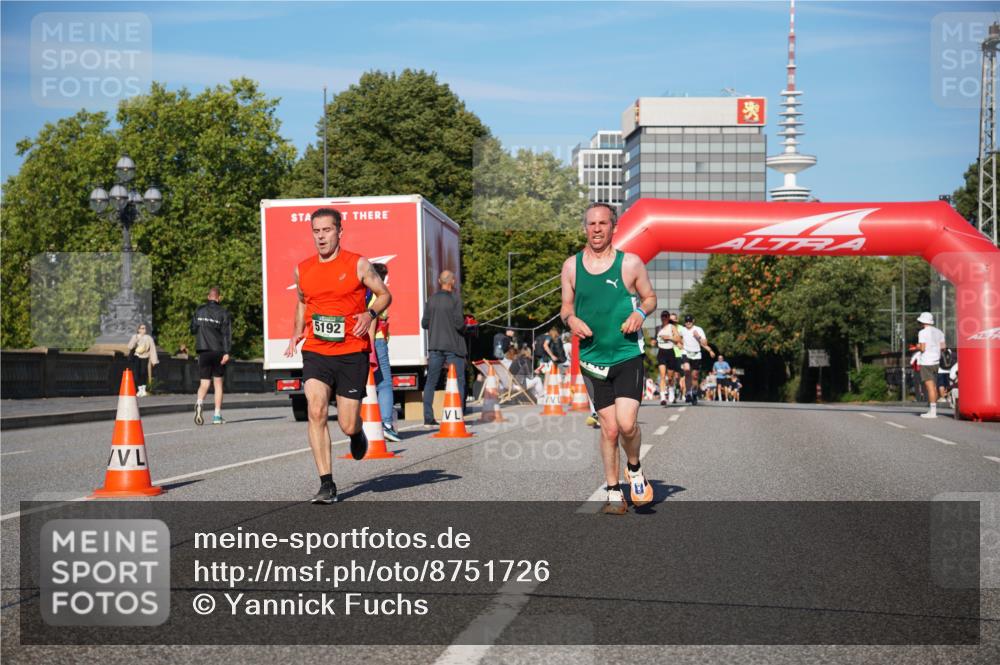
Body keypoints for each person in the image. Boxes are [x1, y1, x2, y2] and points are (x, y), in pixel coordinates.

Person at [285, 208, 391, 504]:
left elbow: (384, 295)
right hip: (316, 350)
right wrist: (296, 332)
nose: (321, 236)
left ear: (339, 231)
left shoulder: (357, 264)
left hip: (351, 352)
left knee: (346, 423)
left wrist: (370, 314)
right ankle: (326, 483)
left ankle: (357, 433)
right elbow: (302, 303)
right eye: (316, 231)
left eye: (327, 230)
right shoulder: (302, 268)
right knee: (315, 410)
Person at [561, 202, 657, 515]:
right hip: (592, 359)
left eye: (603, 223)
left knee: (628, 425)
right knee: (610, 429)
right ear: (584, 228)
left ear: (613, 227)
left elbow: (650, 297)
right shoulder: (571, 267)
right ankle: (614, 491)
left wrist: (640, 314)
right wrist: (571, 321)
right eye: (592, 224)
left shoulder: (630, 263)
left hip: (627, 353)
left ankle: (635, 468)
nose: (597, 229)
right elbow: (566, 308)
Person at [421, 270, 466, 428]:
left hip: (435, 346)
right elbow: (459, 324)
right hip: (453, 346)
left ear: (440, 281)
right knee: (458, 380)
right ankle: (457, 415)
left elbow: (424, 323)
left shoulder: (431, 300)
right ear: (452, 281)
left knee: (431, 382)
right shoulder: (455, 299)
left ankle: (428, 418)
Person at [367, 262, 400, 443]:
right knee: (385, 384)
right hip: (377, 341)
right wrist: (371, 346)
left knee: (374, 384)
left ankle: (372, 423)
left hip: (376, 340)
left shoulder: (367, 292)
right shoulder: (378, 294)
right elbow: (372, 319)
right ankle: (386, 424)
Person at [191, 287, 232, 425]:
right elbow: (226, 334)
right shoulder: (223, 312)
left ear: (208, 297)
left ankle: (199, 402)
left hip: (203, 350)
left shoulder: (199, 310)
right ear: (218, 298)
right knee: (218, 384)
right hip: (218, 351)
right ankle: (217, 415)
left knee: (204, 383)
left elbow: (193, 329)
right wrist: (227, 352)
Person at [679, 314, 715, 405]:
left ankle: (694, 393)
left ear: (693, 321)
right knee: (687, 371)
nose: (688, 323)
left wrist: (698, 336)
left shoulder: (699, 329)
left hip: (696, 354)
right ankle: (687, 394)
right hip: (686, 353)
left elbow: (705, 343)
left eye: (690, 321)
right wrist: (677, 343)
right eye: (686, 321)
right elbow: (677, 337)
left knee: (695, 376)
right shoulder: (682, 330)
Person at [916, 311, 946, 418]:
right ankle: (933, 410)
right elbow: (943, 347)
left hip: (926, 362)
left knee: (930, 387)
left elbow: (922, 348)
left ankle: (932, 412)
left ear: (922, 322)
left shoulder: (922, 333)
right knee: (934, 386)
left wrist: (917, 346)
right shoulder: (939, 332)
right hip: (936, 362)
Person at [655, 311, 682, 405]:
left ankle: (671, 391)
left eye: (666, 316)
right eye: (662, 316)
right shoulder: (658, 328)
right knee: (662, 375)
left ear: (668, 318)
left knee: (670, 377)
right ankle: (662, 397)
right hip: (661, 352)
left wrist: (669, 338)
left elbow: (678, 339)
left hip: (670, 352)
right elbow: (656, 340)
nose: (664, 318)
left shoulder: (672, 327)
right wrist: (654, 342)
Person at [127, 323, 159, 397]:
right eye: (142, 328)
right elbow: (130, 346)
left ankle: (143, 390)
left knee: (143, 372)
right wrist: (135, 339)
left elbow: (153, 350)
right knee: (137, 373)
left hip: (145, 357)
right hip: (136, 356)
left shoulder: (149, 338)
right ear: (138, 329)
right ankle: (139, 389)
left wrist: (154, 361)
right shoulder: (135, 337)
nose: (144, 330)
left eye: (144, 328)